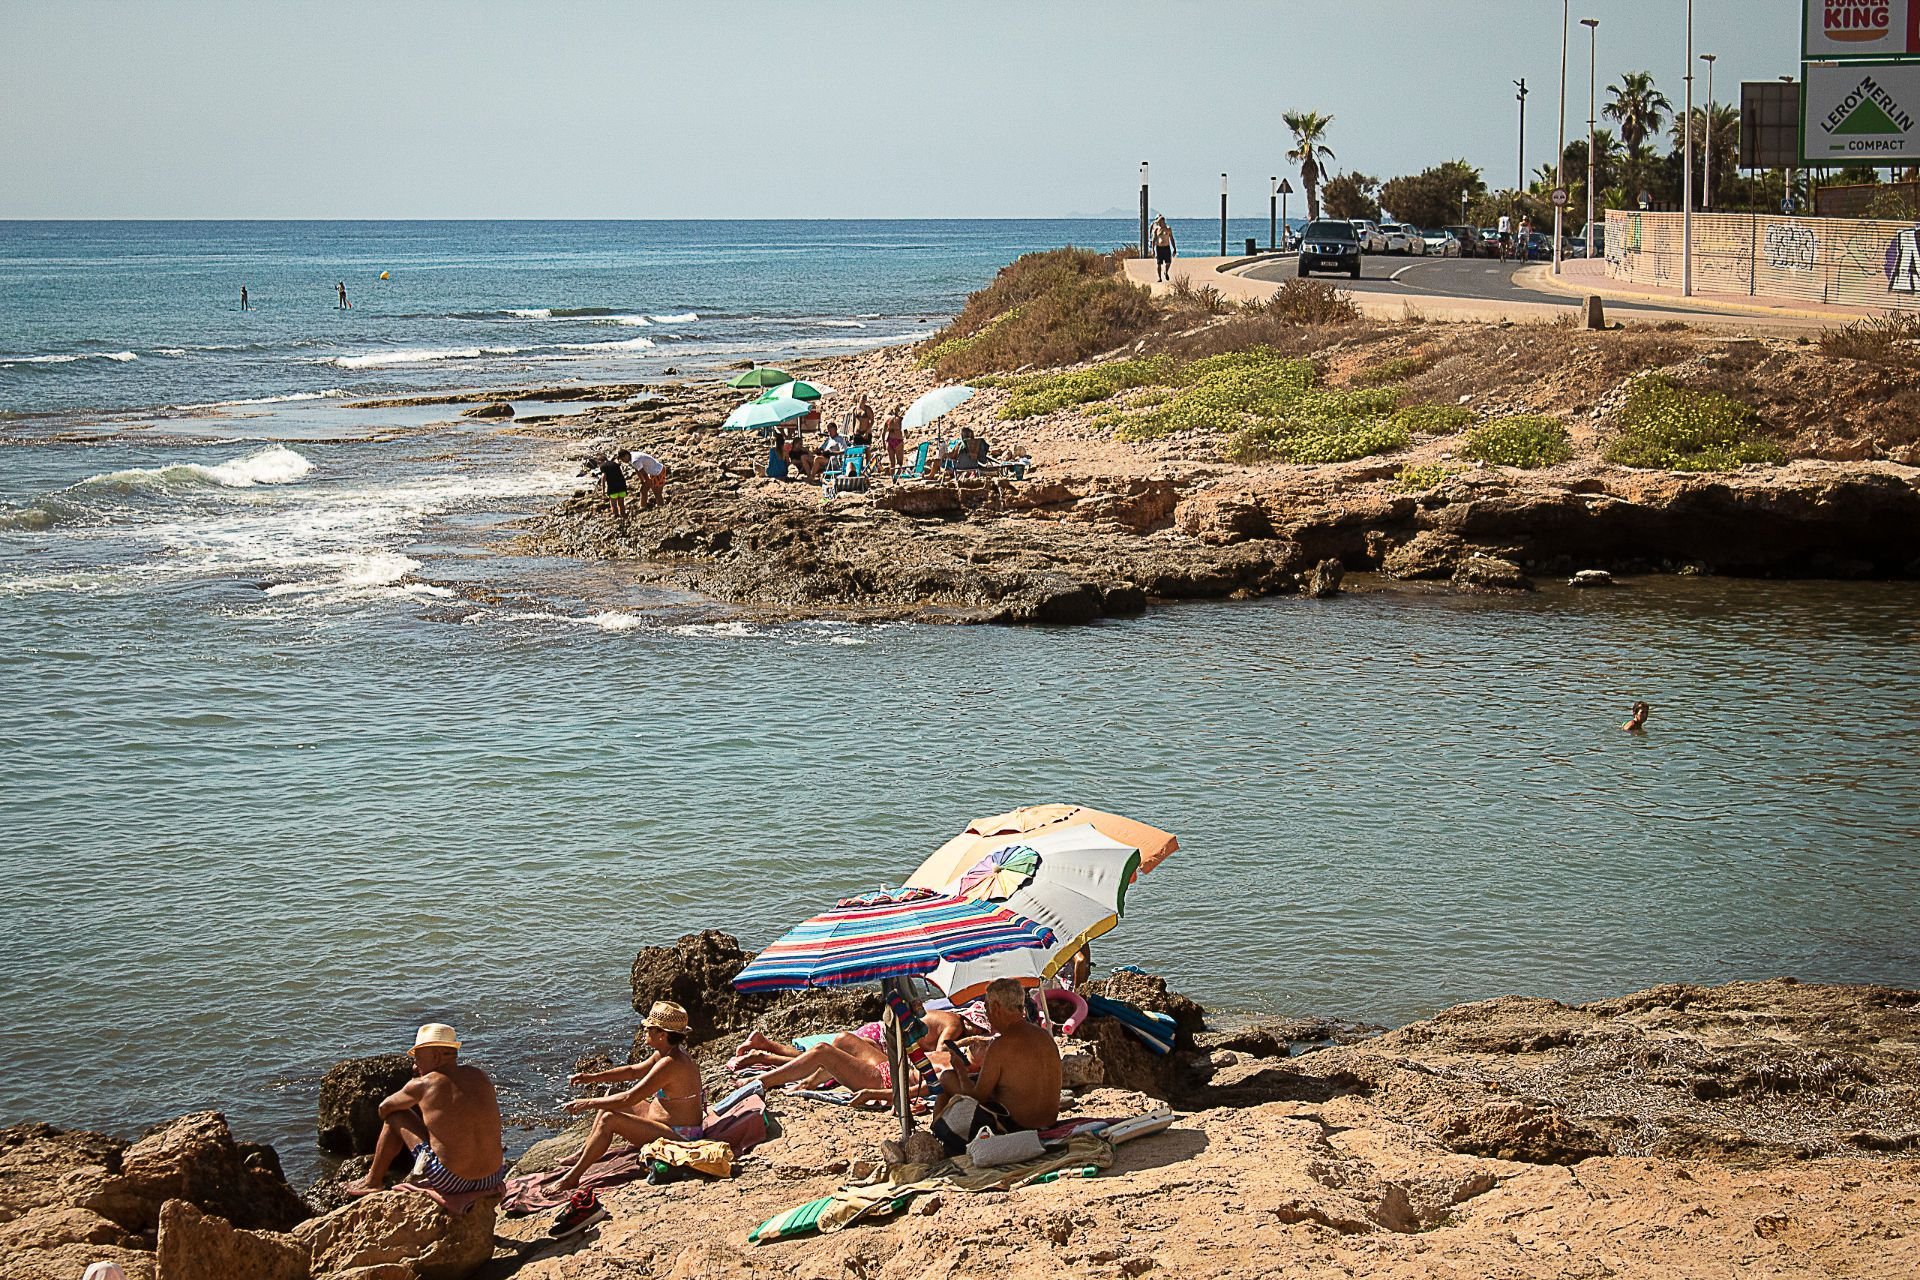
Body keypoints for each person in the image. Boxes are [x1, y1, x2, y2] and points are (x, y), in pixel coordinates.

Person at [554, 1002, 705, 1191]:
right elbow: (633, 1071)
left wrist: (587, 1103)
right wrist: (590, 1078)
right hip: (660, 1120)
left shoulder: (671, 1063)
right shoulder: (666, 1053)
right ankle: (583, 1152)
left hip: (678, 1135)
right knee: (612, 1094)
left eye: (648, 1029)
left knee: (609, 1119)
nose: (644, 1032)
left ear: (662, 1035)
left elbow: (630, 1098)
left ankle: (572, 1178)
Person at [345, 1023, 505, 1197]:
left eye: (418, 1058)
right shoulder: (479, 1075)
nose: (414, 1066)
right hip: (493, 1177)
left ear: (436, 1056)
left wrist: (419, 1114)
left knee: (396, 1116)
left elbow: (384, 1108)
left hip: (452, 1181)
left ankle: (372, 1181)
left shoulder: (423, 1084)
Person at [929, 978, 1062, 1153]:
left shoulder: (1001, 1045)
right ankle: (934, 1135)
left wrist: (960, 1068)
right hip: (1048, 1120)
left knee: (946, 1078)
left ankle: (934, 1138)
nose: (987, 1015)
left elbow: (977, 1098)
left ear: (997, 1008)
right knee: (954, 1081)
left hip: (1018, 1126)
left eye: (986, 1009)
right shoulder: (1044, 1036)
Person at [588, 454, 628, 521]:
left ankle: (616, 518)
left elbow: (603, 477)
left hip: (613, 488)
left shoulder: (603, 466)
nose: (599, 466)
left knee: (613, 504)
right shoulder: (615, 464)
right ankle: (624, 517)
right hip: (622, 486)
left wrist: (603, 490)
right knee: (621, 504)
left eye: (598, 464)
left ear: (600, 462)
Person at [1150, 215, 1176, 282]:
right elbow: (1154, 240)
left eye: (1161, 222)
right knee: (1159, 263)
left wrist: (1174, 249)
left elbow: (1172, 239)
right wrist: (1153, 250)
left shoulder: (1168, 228)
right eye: (1159, 222)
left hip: (1166, 247)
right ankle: (1159, 278)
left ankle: (1166, 272)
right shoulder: (1157, 229)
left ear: (1163, 221)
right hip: (1159, 248)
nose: (1160, 223)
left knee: (1168, 262)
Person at [882, 404, 906, 475]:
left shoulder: (888, 420)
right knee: (899, 463)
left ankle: (892, 478)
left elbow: (883, 433)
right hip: (898, 441)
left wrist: (883, 444)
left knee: (892, 463)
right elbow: (906, 432)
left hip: (889, 441)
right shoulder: (901, 420)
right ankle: (896, 478)